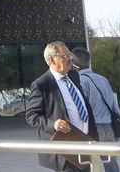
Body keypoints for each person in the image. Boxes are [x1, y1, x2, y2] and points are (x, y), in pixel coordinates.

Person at [26, 41, 98, 171]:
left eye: (70, 56)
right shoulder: (42, 84)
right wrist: (53, 124)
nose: (70, 59)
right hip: (66, 150)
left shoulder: (73, 75)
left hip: (85, 142)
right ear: (52, 60)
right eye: (65, 56)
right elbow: (32, 115)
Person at [71, 47, 120, 171]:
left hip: (93, 128)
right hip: (109, 127)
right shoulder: (103, 79)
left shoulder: (80, 81)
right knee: (111, 165)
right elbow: (113, 104)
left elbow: (82, 108)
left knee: (90, 165)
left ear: (74, 64)